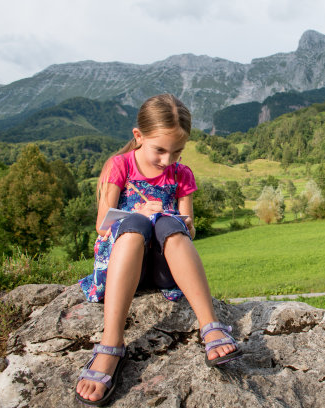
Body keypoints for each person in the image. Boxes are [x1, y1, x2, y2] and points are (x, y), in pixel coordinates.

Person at [75, 94, 242, 406]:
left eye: (177, 151)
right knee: (136, 224)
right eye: (160, 150)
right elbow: (101, 225)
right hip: (123, 263)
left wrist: (181, 221)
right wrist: (140, 211)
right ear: (139, 137)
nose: (168, 160)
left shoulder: (181, 174)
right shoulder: (119, 166)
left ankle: (211, 325)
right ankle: (111, 344)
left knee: (169, 226)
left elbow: (190, 230)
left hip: (164, 267)